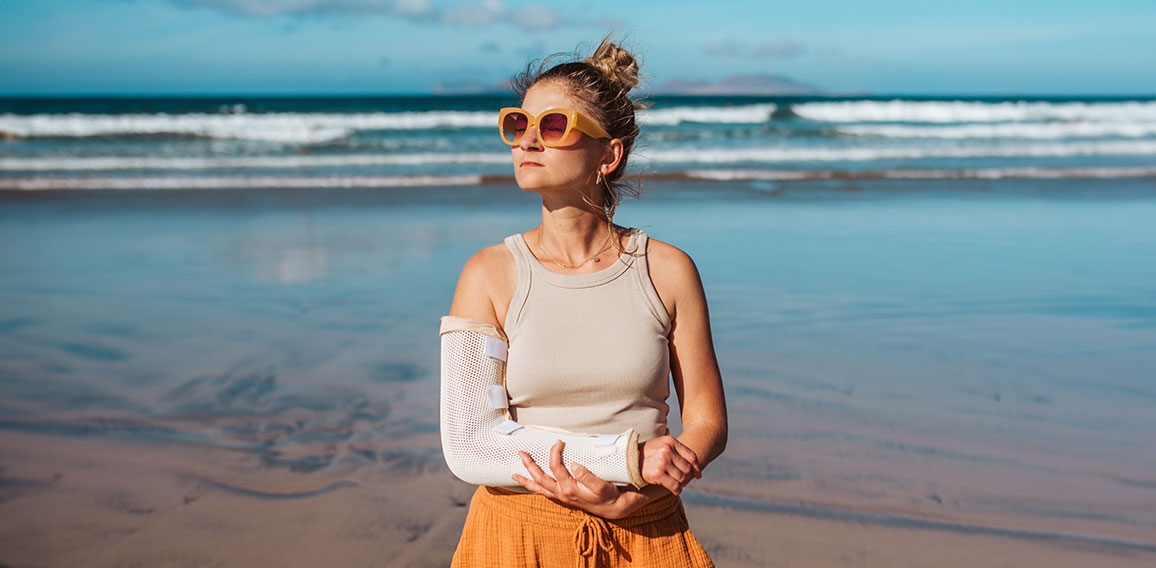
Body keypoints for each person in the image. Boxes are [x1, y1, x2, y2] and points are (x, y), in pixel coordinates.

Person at [443, 35, 727, 567]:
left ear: (608, 154)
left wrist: (636, 496)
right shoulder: (487, 274)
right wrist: (623, 459)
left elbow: (708, 422)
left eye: (553, 127)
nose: (527, 142)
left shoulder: (667, 270)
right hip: (515, 534)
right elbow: (469, 444)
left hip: (645, 532)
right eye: (517, 124)